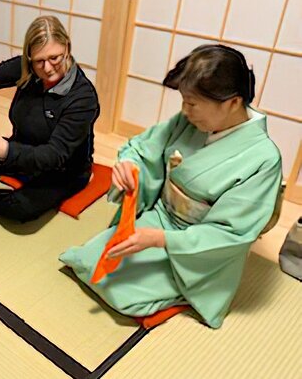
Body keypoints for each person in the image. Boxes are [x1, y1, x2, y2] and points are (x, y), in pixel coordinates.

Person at [60, 44, 283, 329]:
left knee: (121, 294)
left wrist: (159, 240)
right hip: (160, 217)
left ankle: (189, 292)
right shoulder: (190, 120)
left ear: (232, 102)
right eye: (184, 100)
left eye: (193, 102)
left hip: (197, 251)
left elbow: (232, 233)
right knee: (88, 263)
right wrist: (129, 167)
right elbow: (144, 148)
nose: (185, 110)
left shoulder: (263, 159)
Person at [0, 15, 100, 234]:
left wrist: (5, 150)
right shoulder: (27, 68)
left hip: (61, 171)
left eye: (55, 58)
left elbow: (54, 155)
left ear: (67, 49)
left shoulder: (82, 97)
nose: (48, 68)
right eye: (39, 60)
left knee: (20, 209)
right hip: (20, 152)